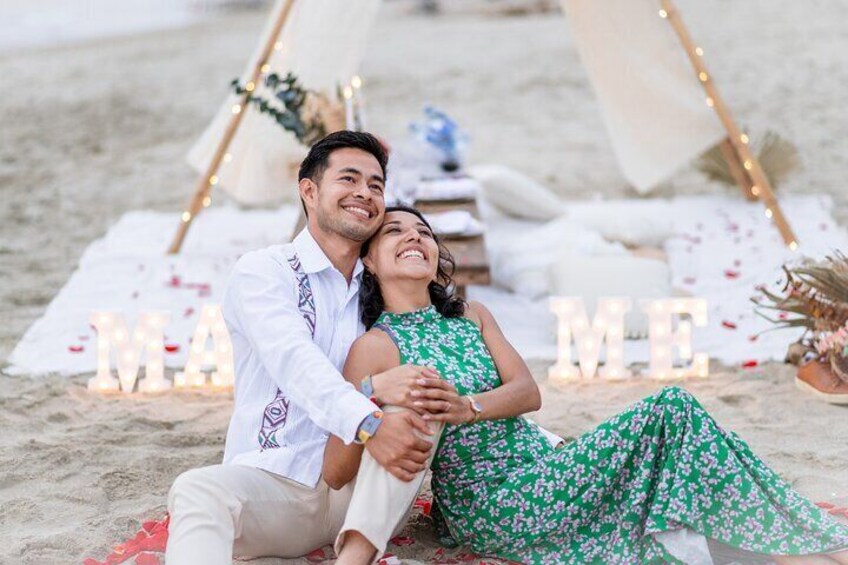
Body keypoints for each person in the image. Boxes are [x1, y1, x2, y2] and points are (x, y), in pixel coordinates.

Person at [323, 205, 848, 565]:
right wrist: (372, 394)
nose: (414, 237)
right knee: (672, 407)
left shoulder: (471, 315)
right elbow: (339, 465)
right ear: (367, 260)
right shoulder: (376, 345)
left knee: (686, 437)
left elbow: (528, 392)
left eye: (423, 232)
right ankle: (796, 542)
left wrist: (467, 406)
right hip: (491, 502)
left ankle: (790, 538)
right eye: (394, 231)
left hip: (544, 466)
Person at [165, 132, 464, 564]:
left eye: (376, 185)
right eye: (349, 179)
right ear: (309, 190)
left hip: (363, 495)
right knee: (197, 489)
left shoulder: (385, 283)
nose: (365, 193)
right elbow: (293, 359)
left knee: (417, 389)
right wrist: (367, 416)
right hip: (275, 484)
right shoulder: (264, 272)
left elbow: (460, 359)